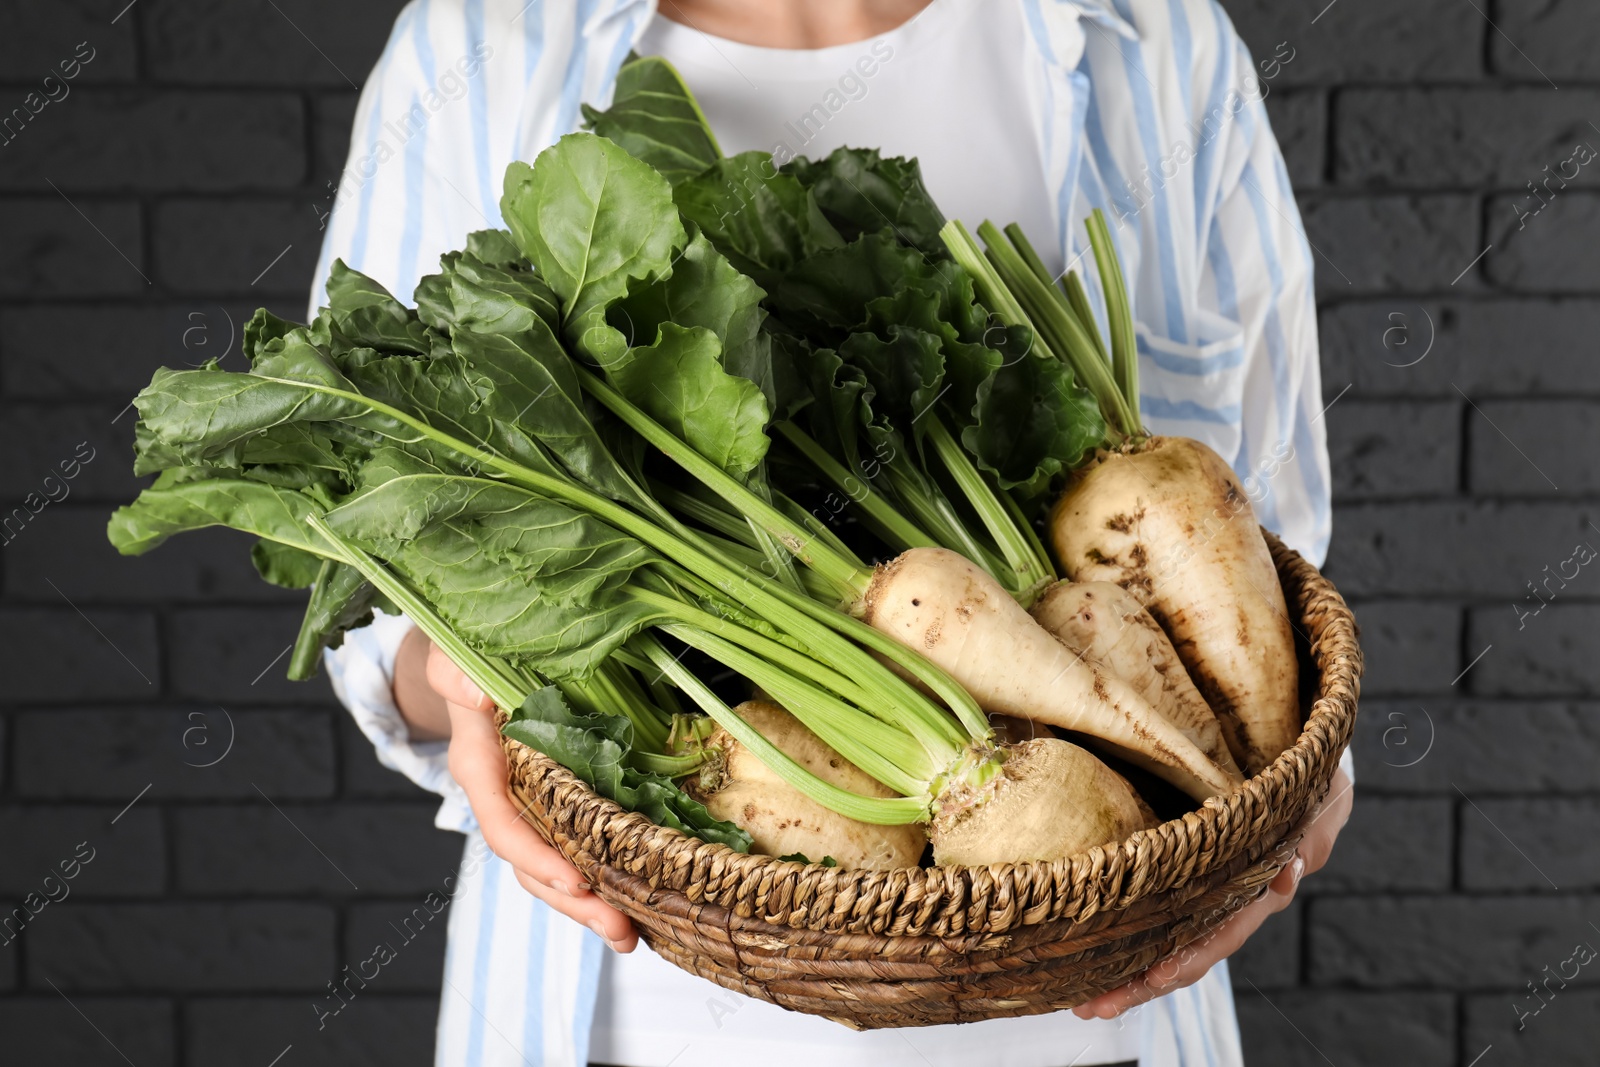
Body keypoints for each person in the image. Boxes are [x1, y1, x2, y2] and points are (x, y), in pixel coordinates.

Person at [314, 1, 1354, 1064]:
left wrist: (1287, 804)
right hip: (623, 1019)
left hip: (1104, 1026)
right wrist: (465, 667)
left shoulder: (1160, 40)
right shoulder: (476, 44)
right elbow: (369, 579)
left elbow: (1274, 575)